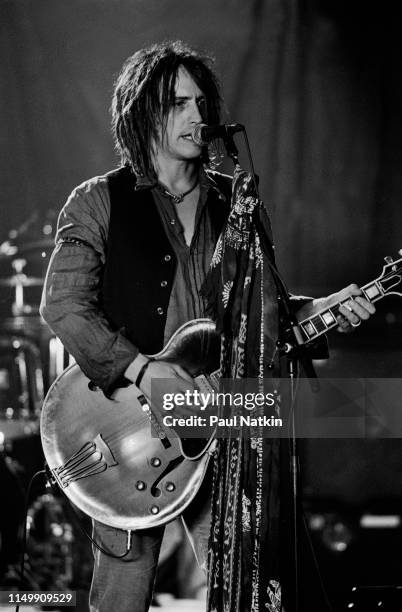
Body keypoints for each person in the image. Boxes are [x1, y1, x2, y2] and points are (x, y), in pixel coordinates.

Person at [40, 40, 375, 612]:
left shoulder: (236, 204)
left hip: (224, 419)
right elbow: (64, 305)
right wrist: (146, 372)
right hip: (130, 428)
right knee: (123, 589)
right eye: (179, 104)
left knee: (261, 589)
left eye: (202, 102)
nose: (200, 117)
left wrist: (328, 311)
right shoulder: (100, 201)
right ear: (143, 111)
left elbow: (262, 317)